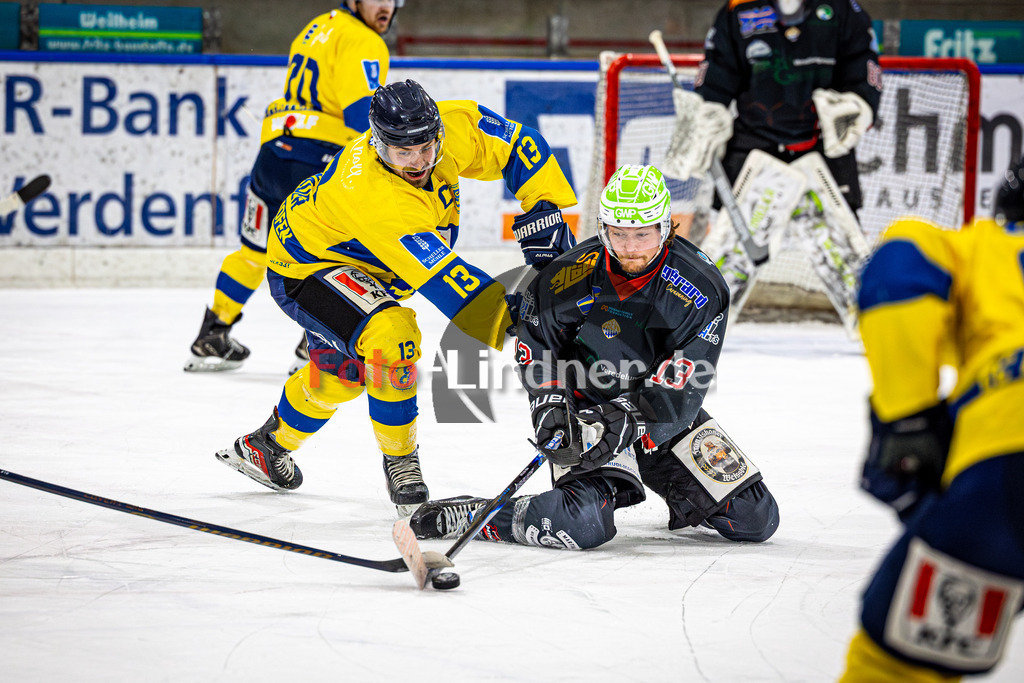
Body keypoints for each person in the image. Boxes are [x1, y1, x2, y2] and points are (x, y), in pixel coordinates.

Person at [215, 80, 577, 514]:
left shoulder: (448, 126)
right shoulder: (377, 199)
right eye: (402, 152)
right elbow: (451, 284)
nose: (419, 162)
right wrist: (530, 322)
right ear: (378, 142)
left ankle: (265, 446)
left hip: (362, 260)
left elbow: (519, 144)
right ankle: (402, 463)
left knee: (340, 375)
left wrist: (543, 207)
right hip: (308, 266)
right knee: (393, 337)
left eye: (426, 147)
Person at [409, 165, 779, 549]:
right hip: (586, 413)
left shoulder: (701, 287)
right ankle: (477, 515)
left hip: (656, 414)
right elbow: (538, 348)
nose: (630, 248)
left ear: (666, 228)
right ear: (604, 229)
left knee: (755, 518)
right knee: (582, 524)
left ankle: (664, 477)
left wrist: (630, 418)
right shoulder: (566, 275)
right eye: (618, 234)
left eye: (642, 234)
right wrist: (552, 409)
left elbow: (685, 382)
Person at [839, 158, 1024, 681]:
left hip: (1007, 464)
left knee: (893, 667)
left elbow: (900, 268)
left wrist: (907, 420)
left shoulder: (988, 248)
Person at [185, 0, 402, 373]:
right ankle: (315, 348)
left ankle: (212, 334)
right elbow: (359, 115)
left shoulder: (315, 27)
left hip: (272, 157)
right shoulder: (365, 39)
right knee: (339, 255)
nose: (385, 6)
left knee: (252, 253)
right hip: (314, 163)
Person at [686, 0, 882, 213]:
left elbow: (865, 66)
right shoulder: (739, 8)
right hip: (753, 148)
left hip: (823, 148)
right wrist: (707, 113)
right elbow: (716, 71)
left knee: (837, 241)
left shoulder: (843, 8)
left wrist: (859, 103)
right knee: (732, 241)